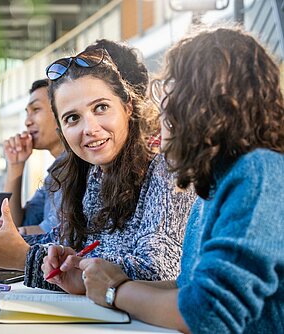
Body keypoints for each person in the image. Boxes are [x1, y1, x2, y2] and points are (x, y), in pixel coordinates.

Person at [44, 27, 284, 333]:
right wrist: (99, 281)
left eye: (172, 89)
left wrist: (115, 291)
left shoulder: (259, 174)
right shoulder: (214, 185)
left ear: (212, 104)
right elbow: (189, 287)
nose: (163, 105)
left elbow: (207, 312)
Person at [0, 39, 197, 290]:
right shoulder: (96, 173)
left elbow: (158, 271)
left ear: (127, 107)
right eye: (73, 118)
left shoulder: (166, 170)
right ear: (62, 130)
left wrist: (24, 258)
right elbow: (73, 243)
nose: (90, 129)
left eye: (101, 107)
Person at [3, 79, 64, 236]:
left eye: (36, 109)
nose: (27, 122)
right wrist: (15, 164)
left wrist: (8, 236)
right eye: (27, 113)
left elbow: (55, 232)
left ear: (62, 112)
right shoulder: (54, 175)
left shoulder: (83, 168)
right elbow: (15, 222)